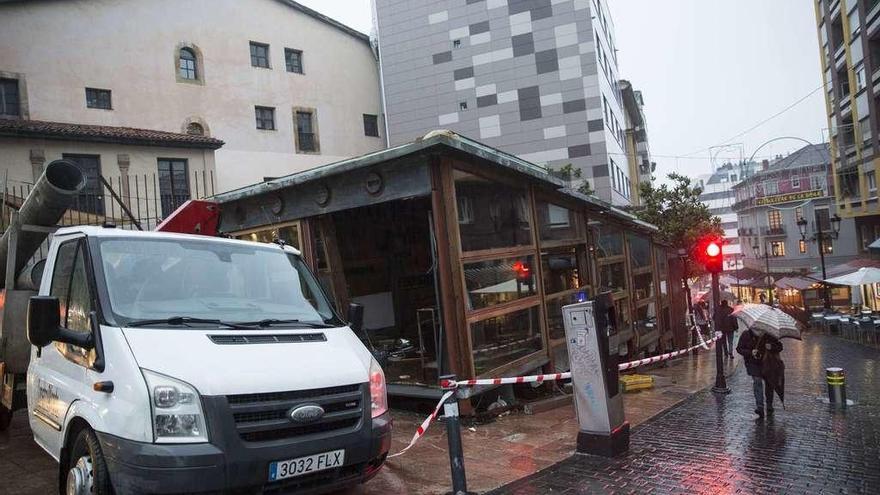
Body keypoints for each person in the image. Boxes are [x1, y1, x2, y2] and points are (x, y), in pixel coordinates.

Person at [736, 327, 783, 418]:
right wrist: (750, 352)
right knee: (757, 381)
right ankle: (760, 407)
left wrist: (771, 347)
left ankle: (769, 405)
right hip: (753, 363)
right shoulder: (746, 334)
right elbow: (739, 348)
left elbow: (780, 346)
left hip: (767, 363)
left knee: (769, 384)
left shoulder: (769, 335)